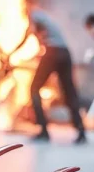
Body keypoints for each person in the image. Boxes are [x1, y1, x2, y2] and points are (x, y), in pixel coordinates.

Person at [30, 8, 86, 143]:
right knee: (69, 91)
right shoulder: (48, 19)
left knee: (34, 89)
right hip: (65, 53)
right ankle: (81, 131)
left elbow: (30, 34)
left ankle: (43, 131)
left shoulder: (33, 15)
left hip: (52, 52)